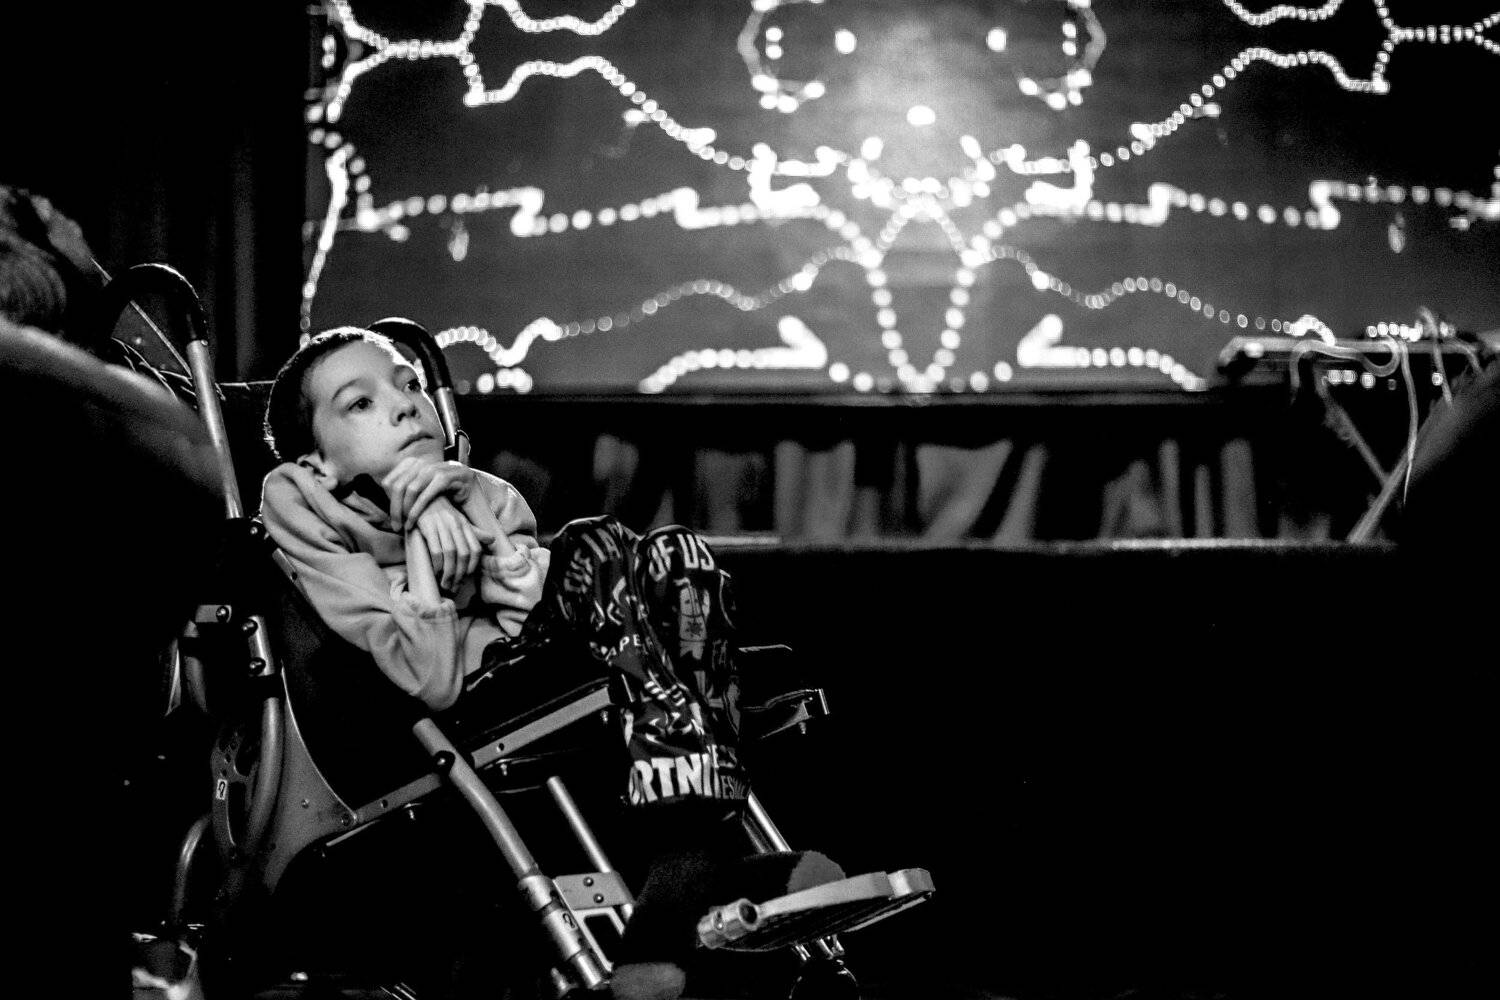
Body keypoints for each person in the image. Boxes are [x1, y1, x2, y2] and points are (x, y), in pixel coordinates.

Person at [260, 327, 842, 1000]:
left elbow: (534, 610)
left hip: (553, 652)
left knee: (671, 555)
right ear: (318, 465)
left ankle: (680, 896)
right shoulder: (303, 508)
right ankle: (697, 890)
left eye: (410, 385)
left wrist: (471, 520)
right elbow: (432, 679)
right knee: (617, 569)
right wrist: (421, 537)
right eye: (360, 403)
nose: (403, 405)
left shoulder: (480, 491)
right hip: (457, 699)